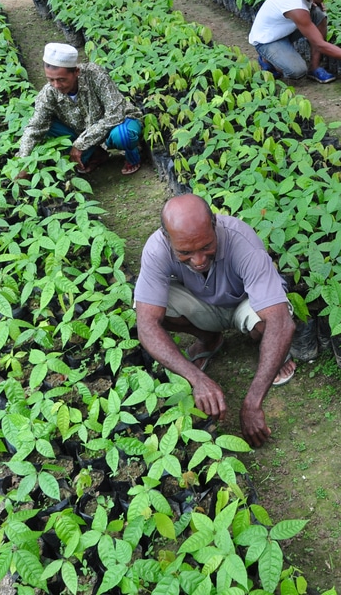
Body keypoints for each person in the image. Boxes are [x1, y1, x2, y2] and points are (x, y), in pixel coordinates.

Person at [134, 194, 297, 447]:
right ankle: (209, 338)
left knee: (271, 324)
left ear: (214, 223)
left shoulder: (241, 241)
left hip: (245, 302)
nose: (198, 260)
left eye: (206, 247)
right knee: (151, 308)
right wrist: (196, 379)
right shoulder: (156, 249)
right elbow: (146, 326)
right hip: (204, 303)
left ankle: (277, 355)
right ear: (167, 237)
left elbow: (281, 322)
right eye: (185, 252)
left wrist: (252, 403)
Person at [17, 42, 145, 176]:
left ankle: (132, 156)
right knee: (46, 126)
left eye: (61, 80)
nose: (56, 85)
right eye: (50, 80)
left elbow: (115, 115)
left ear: (76, 72)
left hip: (116, 124)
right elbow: (35, 127)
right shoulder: (48, 94)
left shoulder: (95, 75)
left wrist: (80, 144)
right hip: (82, 131)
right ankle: (96, 154)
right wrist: (22, 161)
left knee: (123, 136)